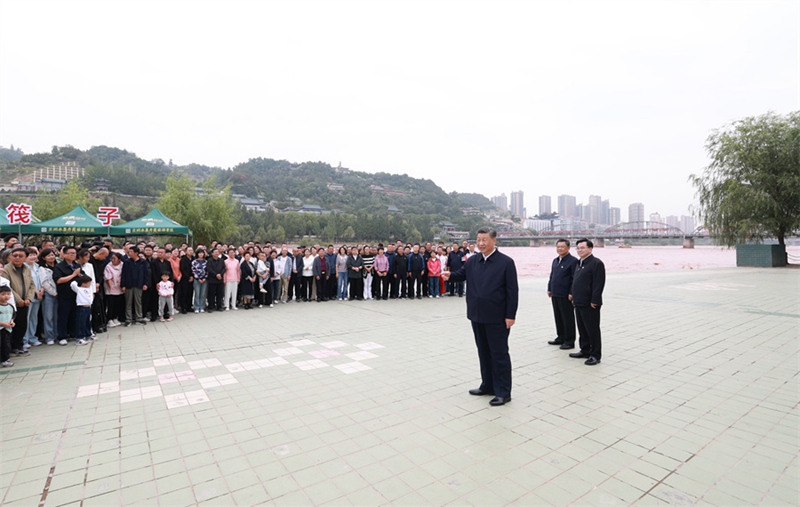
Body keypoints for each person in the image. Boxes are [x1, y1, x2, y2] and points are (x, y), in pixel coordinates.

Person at [443, 227, 518, 406]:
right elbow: (461, 275)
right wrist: (449, 276)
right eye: (478, 240)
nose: (481, 243)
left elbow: (512, 291)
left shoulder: (506, 262)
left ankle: (503, 392)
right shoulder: (473, 260)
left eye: (485, 240)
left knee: (499, 354)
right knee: (483, 352)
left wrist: (510, 315)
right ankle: (487, 385)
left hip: (497, 317)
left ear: (494, 240)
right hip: (476, 315)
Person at [569, 238, 606, 366]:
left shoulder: (596, 263)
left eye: (582, 248)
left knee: (592, 329)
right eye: (578, 248)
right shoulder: (580, 262)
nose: (580, 250)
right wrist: (573, 295)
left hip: (590, 303)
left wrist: (594, 300)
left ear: (590, 248)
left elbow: (598, 284)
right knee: (582, 328)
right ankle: (585, 350)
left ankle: (595, 355)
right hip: (578, 301)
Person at [2, 247, 35, 356]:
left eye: (20, 256)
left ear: (25, 258)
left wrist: (29, 298)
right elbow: (7, 287)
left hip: (25, 302)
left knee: (22, 325)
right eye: (14, 255)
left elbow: (31, 285)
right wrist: (19, 300)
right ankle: (10, 349)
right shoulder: (6, 269)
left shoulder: (27, 269)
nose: (17, 258)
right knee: (11, 326)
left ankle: (18, 346)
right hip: (11, 303)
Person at [547, 239, 578, 350]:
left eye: (562, 247)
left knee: (567, 318)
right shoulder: (555, 260)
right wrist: (549, 288)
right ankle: (560, 337)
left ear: (568, 248)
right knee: (558, 316)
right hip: (555, 293)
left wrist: (571, 292)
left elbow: (575, 279)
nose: (559, 249)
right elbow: (552, 276)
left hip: (566, 295)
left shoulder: (573, 261)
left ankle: (570, 341)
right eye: (558, 247)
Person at [121, 245, 150, 327]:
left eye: (131, 252)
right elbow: (123, 274)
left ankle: (139, 318)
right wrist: (123, 285)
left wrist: (145, 284)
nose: (129, 253)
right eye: (128, 252)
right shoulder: (127, 262)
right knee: (128, 302)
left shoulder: (143, 262)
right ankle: (128, 319)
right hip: (128, 285)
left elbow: (146, 274)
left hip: (139, 284)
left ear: (136, 253)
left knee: (138, 302)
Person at [38, 249, 59, 344]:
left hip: (59, 295)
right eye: (49, 255)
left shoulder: (58, 266)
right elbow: (44, 283)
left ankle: (56, 335)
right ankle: (49, 337)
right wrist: (54, 293)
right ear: (43, 258)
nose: (52, 257)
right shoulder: (42, 269)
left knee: (56, 316)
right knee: (48, 317)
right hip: (49, 295)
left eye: (53, 255)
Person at [70, 274, 94, 344]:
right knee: (81, 322)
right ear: (84, 284)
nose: (90, 284)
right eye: (88, 283)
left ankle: (88, 335)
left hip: (88, 307)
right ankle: (79, 337)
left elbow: (92, 282)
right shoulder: (79, 289)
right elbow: (73, 284)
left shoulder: (89, 288)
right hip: (81, 307)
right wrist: (78, 277)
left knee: (87, 322)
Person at [104, 252, 125, 327]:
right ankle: (109, 319)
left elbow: (124, 274)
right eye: (111, 258)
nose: (112, 260)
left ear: (119, 259)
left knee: (118, 304)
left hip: (119, 287)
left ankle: (115, 317)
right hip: (111, 287)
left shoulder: (123, 265)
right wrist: (111, 287)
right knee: (111, 304)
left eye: (114, 258)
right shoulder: (108, 266)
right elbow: (108, 278)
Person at [0, 285, 15, 367]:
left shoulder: (10, 306)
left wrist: (12, 322)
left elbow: (13, 316)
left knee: (6, 345)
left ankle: (6, 359)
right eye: (3, 294)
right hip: (1, 328)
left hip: (7, 329)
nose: (6, 296)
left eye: (8, 294)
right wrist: (3, 324)